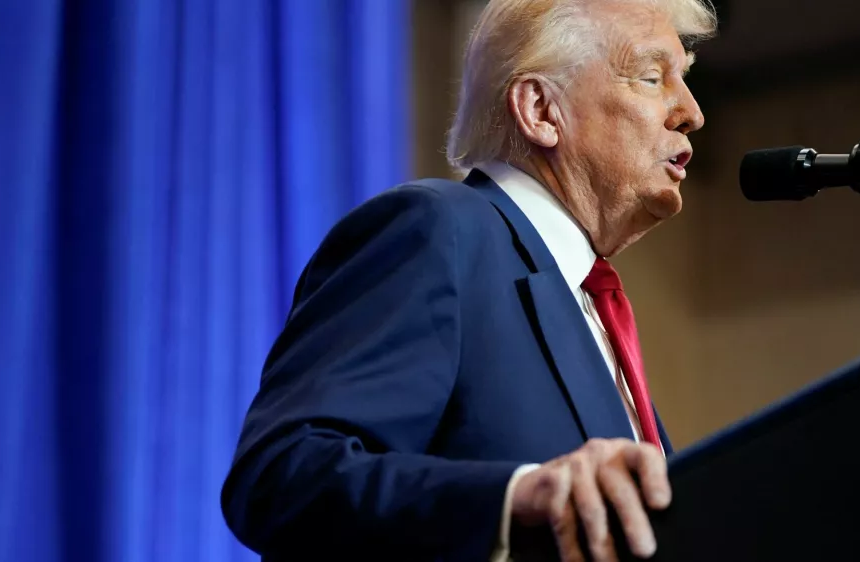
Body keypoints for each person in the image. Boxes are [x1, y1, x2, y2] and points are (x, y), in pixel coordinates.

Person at [220, 0, 716, 560]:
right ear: (541, 110)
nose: (691, 112)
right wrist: (512, 500)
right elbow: (283, 473)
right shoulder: (436, 230)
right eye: (651, 77)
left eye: (684, 79)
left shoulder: (589, 302)